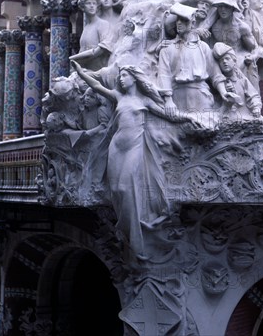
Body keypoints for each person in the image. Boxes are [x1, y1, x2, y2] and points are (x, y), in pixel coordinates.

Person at [71, 60, 193, 257]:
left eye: (125, 75)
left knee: (127, 188)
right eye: (120, 76)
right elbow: (96, 86)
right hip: (117, 146)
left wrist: (190, 118)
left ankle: (136, 238)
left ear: (135, 79)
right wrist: (80, 72)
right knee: (117, 189)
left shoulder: (144, 101)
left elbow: (169, 116)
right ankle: (127, 234)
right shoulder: (118, 96)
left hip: (135, 146)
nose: (121, 78)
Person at [157, 3, 230, 128]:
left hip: (201, 97)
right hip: (177, 98)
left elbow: (215, 74)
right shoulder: (167, 49)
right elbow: (164, 75)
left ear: (192, 23)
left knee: (206, 135)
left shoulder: (203, 47)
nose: (179, 23)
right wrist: (168, 100)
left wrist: (224, 93)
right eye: (178, 20)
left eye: (184, 20)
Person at [212, 42, 262, 122]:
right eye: (221, 60)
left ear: (234, 61)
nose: (224, 62)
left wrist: (256, 108)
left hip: (244, 117)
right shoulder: (217, 84)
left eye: (227, 59)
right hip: (225, 119)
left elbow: (253, 95)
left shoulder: (241, 79)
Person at [69, 0, 113, 70]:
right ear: (83, 7)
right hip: (86, 68)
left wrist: (85, 58)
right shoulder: (86, 28)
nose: (92, 6)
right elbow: (82, 49)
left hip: (99, 69)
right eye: (88, 3)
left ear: (97, 7)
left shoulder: (103, 24)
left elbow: (105, 46)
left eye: (94, 3)